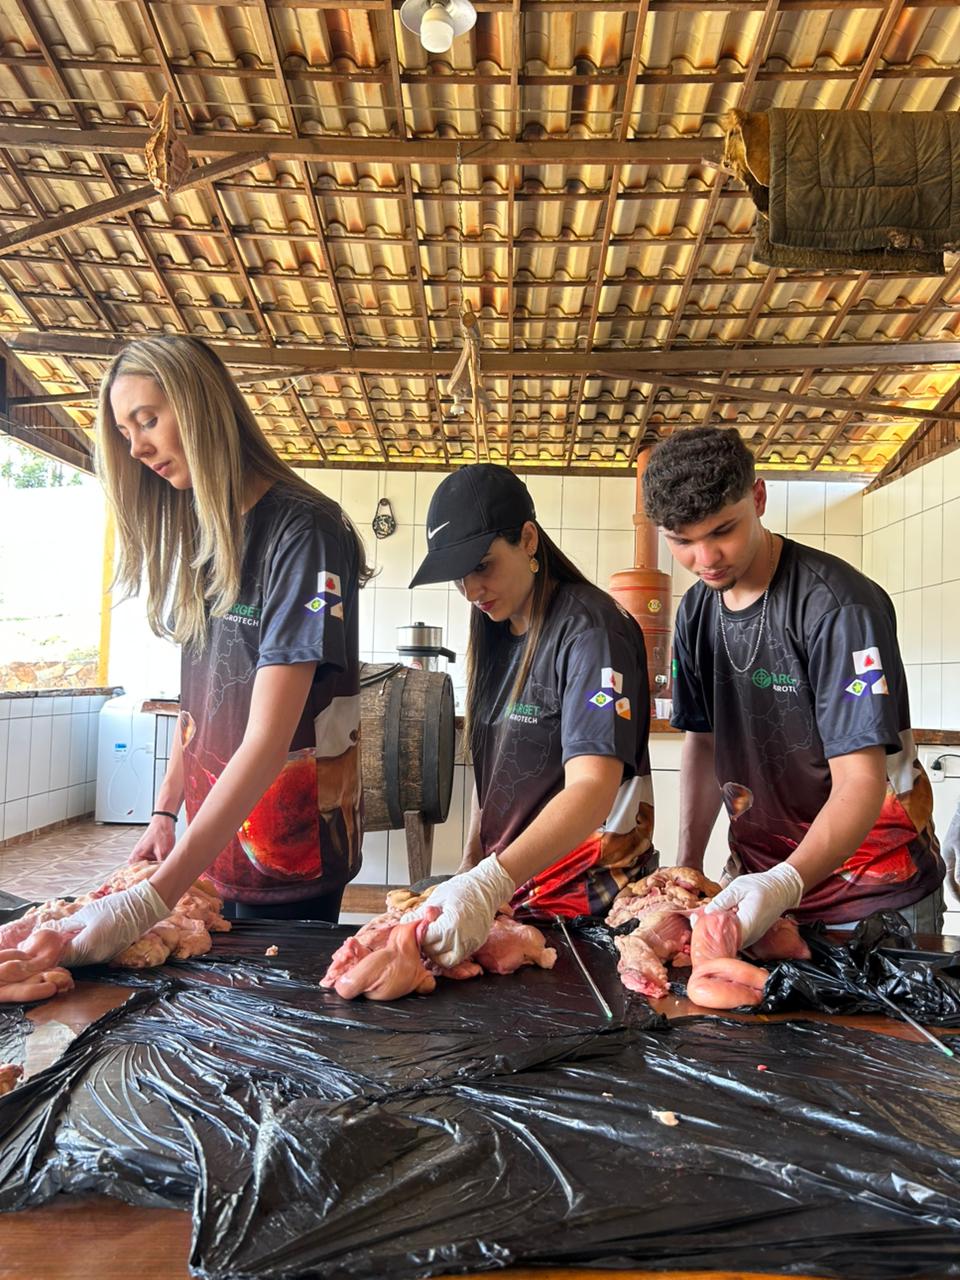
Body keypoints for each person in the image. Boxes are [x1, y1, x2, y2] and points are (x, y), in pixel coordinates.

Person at [55, 335, 370, 965]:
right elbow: (201, 705)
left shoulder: (305, 530)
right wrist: (167, 811)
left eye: (148, 419)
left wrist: (149, 901)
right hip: (206, 847)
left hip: (287, 855)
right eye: (125, 431)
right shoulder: (209, 533)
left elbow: (268, 737)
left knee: (267, 1036)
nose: (138, 446)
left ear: (203, 408)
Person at [642, 426, 945, 947]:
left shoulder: (837, 607)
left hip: (873, 892)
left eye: (723, 530)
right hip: (760, 883)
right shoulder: (695, 612)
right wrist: (688, 866)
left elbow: (860, 782)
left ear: (758, 498)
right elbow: (704, 741)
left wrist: (786, 881)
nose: (706, 558)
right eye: (682, 542)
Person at [404, 463, 656, 968]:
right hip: (515, 898)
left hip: (586, 910)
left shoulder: (592, 631)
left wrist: (491, 880)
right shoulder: (497, 632)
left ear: (527, 538)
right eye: (459, 576)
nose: (472, 589)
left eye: (483, 565)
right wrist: (470, 868)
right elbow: (495, 777)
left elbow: (592, 789)